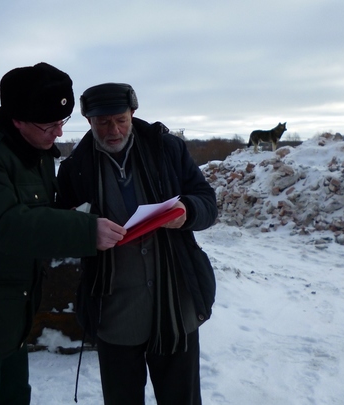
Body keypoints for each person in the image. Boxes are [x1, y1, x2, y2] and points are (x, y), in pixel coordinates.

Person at [0, 64, 126, 405]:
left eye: (63, 122)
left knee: (16, 395)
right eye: (50, 125)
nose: (59, 134)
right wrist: (83, 230)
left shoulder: (32, 151)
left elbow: (34, 213)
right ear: (18, 119)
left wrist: (64, 217)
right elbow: (2, 223)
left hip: (15, 305)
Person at [56, 82, 218, 405]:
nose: (113, 130)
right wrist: (85, 230)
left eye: (120, 120)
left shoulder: (167, 150)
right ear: (89, 121)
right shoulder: (75, 169)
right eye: (103, 122)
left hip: (175, 308)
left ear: (132, 113)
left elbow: (208, 203)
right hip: (114, 315)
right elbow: (61, 229)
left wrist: (187, 211)